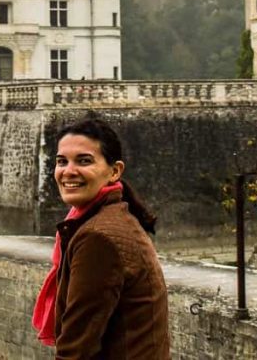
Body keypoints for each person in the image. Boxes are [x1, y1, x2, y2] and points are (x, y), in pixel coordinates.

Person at [32, 115, 170, 359]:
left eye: (84, 161)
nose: (68, 171)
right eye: (62, 161)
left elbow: (76, 348)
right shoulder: (113, 218)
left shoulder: (98, 237)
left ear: (115, 171)